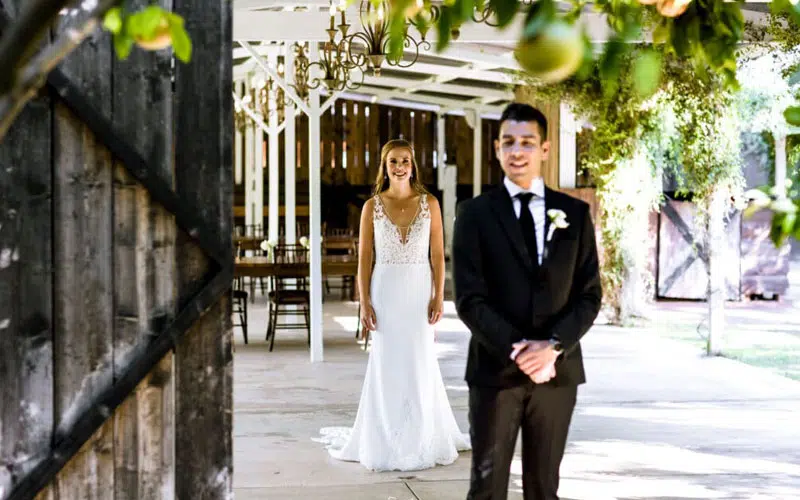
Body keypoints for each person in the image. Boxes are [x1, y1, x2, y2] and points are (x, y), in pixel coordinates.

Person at [452, 102, 602, 500]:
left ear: (545, 149)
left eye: (527, 142)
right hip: (494, 372)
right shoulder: (473, 214)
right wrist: (520, 350)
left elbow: (589, 295)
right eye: (508, 142)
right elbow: (469, 298)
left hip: (558, 373)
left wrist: (552, 348)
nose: (517, 151)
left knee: (543, 488)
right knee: (487, 487)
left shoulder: (575, 214)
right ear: (497, 149)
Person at [315, 139, 471, 471]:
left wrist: (438, 294)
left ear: (413, 165)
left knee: (418, 359)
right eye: (392, 162)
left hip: (417, 291)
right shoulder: (372, 206)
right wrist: (364, 301)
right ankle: (383, 435)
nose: (399, 167)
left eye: (404, 161)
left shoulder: (430, 203)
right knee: (386, 361)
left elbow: (438, 255)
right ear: (384, 167)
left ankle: (421, 435)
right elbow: (365, 258)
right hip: (385, 289)